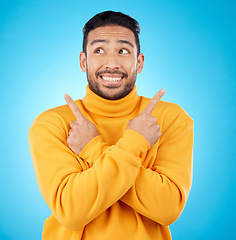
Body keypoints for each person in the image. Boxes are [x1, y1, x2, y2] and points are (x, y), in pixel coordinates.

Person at [29, 11, 194, 240]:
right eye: (99, 50)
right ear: (83, 61)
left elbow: (168, 209)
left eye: (123, 51)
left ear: (139, 62)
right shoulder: (53, 124)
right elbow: (71, 212)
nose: (112, 63)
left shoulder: (170, 119)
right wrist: (135, 143)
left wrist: (94, 148)